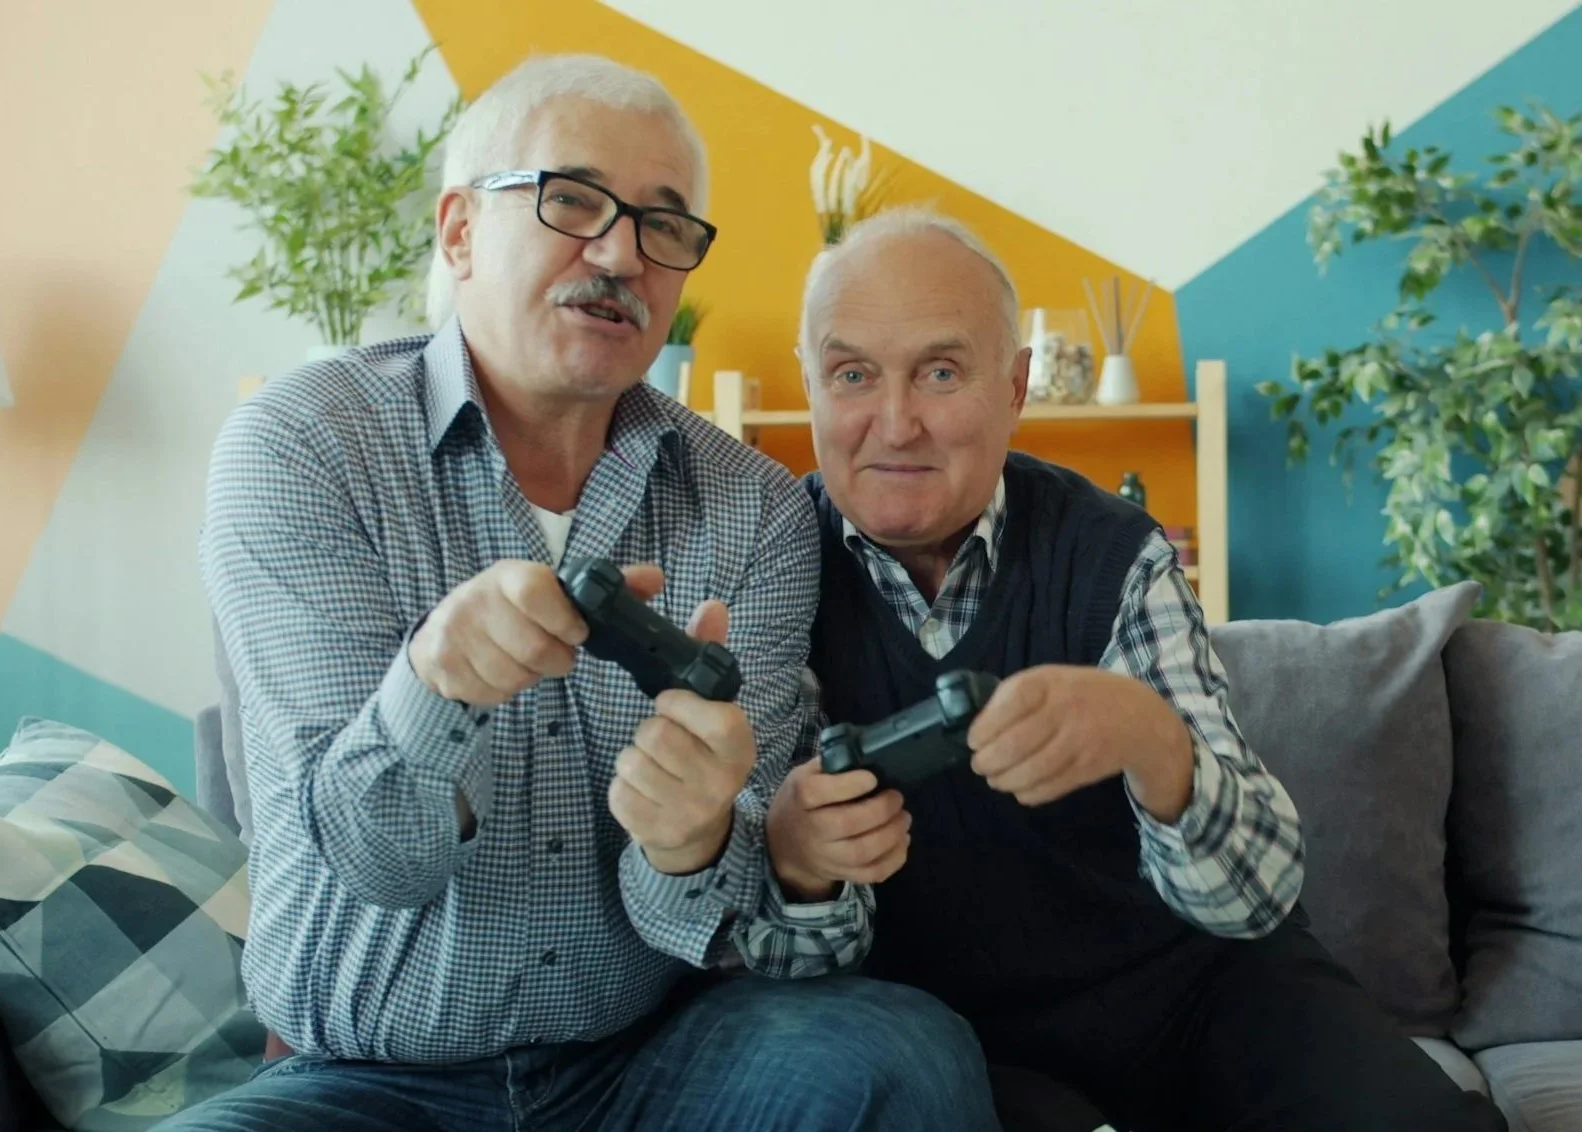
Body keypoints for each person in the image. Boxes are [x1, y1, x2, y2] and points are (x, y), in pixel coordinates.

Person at [183, 58, 998, 1132]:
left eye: (665, 225)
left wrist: (690, 838)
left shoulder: (751, 506)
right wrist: (433, 687)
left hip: (650, 1061)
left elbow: (731, 918)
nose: (619, 252)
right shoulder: (303, 450)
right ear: (461, 230)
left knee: (902, 1054)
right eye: (570, 200)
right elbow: (376, 857)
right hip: (367, 1080)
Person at [764, 207, 1510, 1132]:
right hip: (960, 1037)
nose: (895, 422)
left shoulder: (1114, 554)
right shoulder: (772, 569)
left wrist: (1154, 744)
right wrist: (799, 868)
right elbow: (786, 972)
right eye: (851, 375)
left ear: (1016, 386)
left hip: (1202, 991)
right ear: (811, 389)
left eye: (941, 372)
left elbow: (1254, 899)